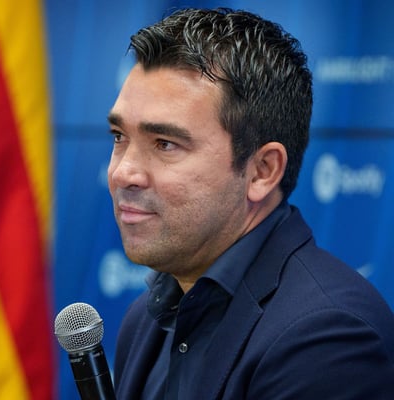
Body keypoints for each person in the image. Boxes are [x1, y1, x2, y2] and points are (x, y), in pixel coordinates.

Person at [106, 7, 394, 399]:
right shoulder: (145, 318)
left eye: (165, 144)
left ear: (262, 171)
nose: (123, 172)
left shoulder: (327, 338)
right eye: (119, 137)